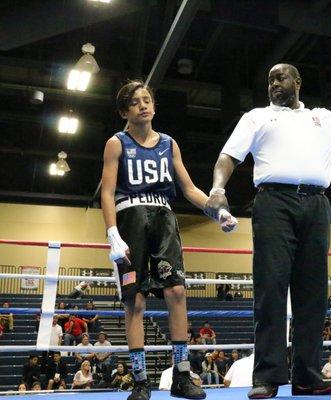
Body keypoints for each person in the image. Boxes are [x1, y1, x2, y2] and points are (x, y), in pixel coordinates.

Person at [205, 56, 331, 398]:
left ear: (298, 82)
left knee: (313, 294)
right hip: (273, 203)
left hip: (316, 204)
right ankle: (266, 377)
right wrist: (218, 188)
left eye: (280, 78)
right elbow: (228, 157)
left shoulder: (323, 118)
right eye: (269, 80)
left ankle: (307, 376)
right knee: (271, 288)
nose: (274, 85)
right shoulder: (257, 117)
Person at [101, 81, 237, 400]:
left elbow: (188, 188)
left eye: (147, 100)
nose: (143, 106)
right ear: (125, 111)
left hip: (164, 218)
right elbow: (106, 191)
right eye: (135, 103)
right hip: (130, 218)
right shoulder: (116, 143)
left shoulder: (169, 143)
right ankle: (139, 381)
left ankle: (181, 376)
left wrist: (217, 212)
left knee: (176, 291)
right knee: (135, 300)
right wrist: (112, 233)